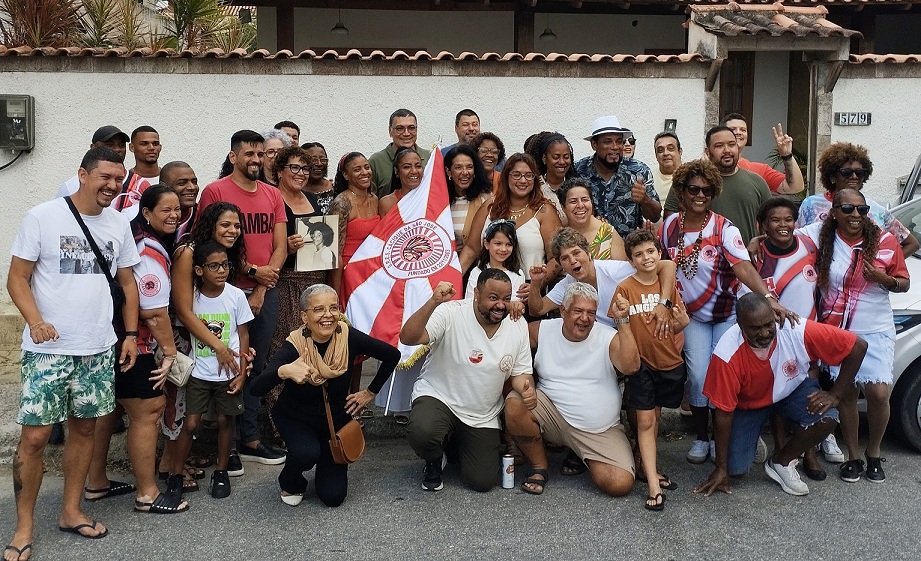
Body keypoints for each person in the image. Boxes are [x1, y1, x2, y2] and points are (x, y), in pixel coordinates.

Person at [6, 146, 141, 555]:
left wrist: (130, 334)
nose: (112, 185)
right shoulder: (43, 216)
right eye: (105, 177)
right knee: (35, 438)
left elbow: (128, 282)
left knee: (85, 430)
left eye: (118, 179)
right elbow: (17, 278)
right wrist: (35, 322)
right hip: (48, 350)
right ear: (82, 175)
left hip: (97, 347)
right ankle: (24, 528)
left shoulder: (118, 223)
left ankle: (71, 510)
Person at [661, 159, 792, 464]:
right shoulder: (669, 226)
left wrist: (768, 297)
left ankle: (734, 433)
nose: (700, 195)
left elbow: (743, 267)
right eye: (693, 189)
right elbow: (664, 266)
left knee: (725, 375)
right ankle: (703, 437)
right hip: (691, 316)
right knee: (697, 376)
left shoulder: (724, 228)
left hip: (726, 314)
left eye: (707, 190)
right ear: (681, 191)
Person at [695, 294, 868, 497]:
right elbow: (723, 414)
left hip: (791, 391)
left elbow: (858, 346)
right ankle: (751, 437)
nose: (764, 333)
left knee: (827, 416)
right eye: (755, 328)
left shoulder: (795, 328)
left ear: (775, 316)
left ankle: (781, 461)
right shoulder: (726, 353)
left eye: (768, 324)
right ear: (740, 325)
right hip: (749, 405)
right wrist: (721, 468)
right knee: (735, 470)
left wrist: (835, 395)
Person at [84, 184, 187, 514]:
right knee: (148, 410)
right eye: (166, 210)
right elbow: (153, 312)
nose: (174, 215)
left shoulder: (134, 236)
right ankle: (147, 494)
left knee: (112, 409)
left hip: (110, 338)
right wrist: (169, 352)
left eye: (177, 209)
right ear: (146, 213)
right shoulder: (148, 249)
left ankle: (96, 482)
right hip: (135, 344)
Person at [251, 284, 400, 507]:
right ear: (304, 316)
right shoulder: (294, 345)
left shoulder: (347, 336)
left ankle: (323, 460)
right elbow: (256, 388)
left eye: (333, 308)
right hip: (296, 418)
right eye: (319, 309)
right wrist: (284, 371)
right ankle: (290, 479)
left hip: (334, 423)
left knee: (333, 497)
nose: (328, 315)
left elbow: (392, 355)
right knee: (306, 453)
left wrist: (369, 392)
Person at [799, 188, 910, 484]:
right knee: (846, 393)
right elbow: (784, 237)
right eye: (848, 209)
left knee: (879, 394)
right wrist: (757, 242)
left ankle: (873, 452)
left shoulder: (885, 240)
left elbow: (904, 283)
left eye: (862, 210)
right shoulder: (823, 238)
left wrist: (884, 279)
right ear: (834, 212)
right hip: (838, 329)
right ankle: (853, 457)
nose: (856, 215)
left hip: (875, 327)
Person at [197, 129, 287, 466]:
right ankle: (228, 445)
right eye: (249, 154)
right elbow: (210, 242)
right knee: (227, 364)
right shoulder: (215, 191)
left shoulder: (272, 193)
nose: (256, 159)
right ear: (233, 157)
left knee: (254, 363)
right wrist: (251, 271)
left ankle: (250, 437)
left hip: (265, 292)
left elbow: (280, 247)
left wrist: (262, 286)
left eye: (260, 154)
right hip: (224, 291)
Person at [505, 282, 641, 500]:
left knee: (619, 483)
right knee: (515, 403)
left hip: (598, 429)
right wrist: (512, 310)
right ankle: (539, 467)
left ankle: (581, 454)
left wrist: (623, 322)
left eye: (591, 313)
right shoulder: (542, 330)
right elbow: (508, 340)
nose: (585, 318)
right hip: (553, 416)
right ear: (563, 311)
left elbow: (631, 367)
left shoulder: (607, 336)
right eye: (578, 311)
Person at [401, 271, 534, 492]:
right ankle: (434, 458)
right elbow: (408, 337)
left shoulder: (517, 324)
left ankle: (453, 444)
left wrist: (526, 389)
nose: (501, 305)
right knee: (422, 431)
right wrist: (433, 302)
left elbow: (521, 374)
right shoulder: (450, 312)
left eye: (506, 298)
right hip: (440, 396)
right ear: (476, 293)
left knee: (482, 482)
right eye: (493, 298)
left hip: (481, 413)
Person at [747, 197, 831, 478]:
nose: (782, 225)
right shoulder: (756, 257)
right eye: (774, 220)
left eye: (788, 219)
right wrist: (755, 242)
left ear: (796, 222)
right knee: (779, 391)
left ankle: (808, 451)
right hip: (774, 337)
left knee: (810, 389)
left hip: (808, 333)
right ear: (763, 225)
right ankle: (782, 447)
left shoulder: (809, 244)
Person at [165, 202, 248, 483]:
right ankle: (172, 469)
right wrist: (221, 347)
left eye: (237, 226)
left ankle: (196, 465)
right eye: (225, 224)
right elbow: (184, 311)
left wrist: (239, 353)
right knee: (182, 412)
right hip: (188, 341)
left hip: (216, 350)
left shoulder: (225, 260)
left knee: (221, 417)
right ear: (210, 225)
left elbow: (239, 327)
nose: (233, 230)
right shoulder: (189, 252)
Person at [615, 230, 689, 510]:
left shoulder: (667, 286)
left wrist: (683, 323)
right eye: (638, 254)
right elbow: (620, 323)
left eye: (650, 252)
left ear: (659, 253)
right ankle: (653, 486)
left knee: (655, 419)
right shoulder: (625, 288)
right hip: (641, 364)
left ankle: (650, 469)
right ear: (630, 260)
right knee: (645, 421)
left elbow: (674, 326)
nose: (645, 258)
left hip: (668, 362)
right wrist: (621, 314)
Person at [528, 228, 675, 331]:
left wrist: (663, 304)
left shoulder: (613, 270)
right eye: (565, 258)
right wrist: (535, 283)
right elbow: (538, 309)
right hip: (603, 336)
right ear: (561, 265)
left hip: (634, 329)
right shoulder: (567, 283)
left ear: (588, 253)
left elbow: (668, 265)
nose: (573, 261)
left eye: (576, 253)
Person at [798, 142, 920, 258]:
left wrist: (885, 266)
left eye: (860, 172)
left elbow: (911, 244)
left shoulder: (876, 210)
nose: (854, 177)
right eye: (847, 172)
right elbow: (798, 243)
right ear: (832, 177)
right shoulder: (811, 205)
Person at [459, 153, 562, 281]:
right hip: (487, 285)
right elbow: (471, 249)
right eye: (516, 174)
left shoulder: (544, 211)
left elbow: (557, 257)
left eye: (529, 175)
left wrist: (535, 286)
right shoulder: (489, 207)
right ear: (506, 177)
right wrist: (453, 279)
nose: (523, 180)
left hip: (527, 287)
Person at [664, 126, 773, 245]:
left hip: (746, 255)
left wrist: (759, 241)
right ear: (707, 152)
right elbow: (670, 223)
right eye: (719, 146)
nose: (727, 150)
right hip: (698, 254)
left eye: (731, 144)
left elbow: (771, 222)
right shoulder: (687, 182)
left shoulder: (757, 182)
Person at [268, 146, 324, 361]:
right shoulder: (272, 198)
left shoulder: (312, 198)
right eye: (294, 168)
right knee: (287, 342)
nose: (301, 173)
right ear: (279, 172)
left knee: (315, 340)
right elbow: (264, 243)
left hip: (316, 279)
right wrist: (286, 246)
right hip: (287, 282)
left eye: (305, 169)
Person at [573, 115, 660, 237]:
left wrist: (645, 199)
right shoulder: (578, 171)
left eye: (619, 141)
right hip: (589, 245)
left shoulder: (638, 170)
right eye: (607, 142)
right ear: (594, 144)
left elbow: (655, 216)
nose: (615, 147)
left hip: (629, 246)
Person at [328, 152, 380, 298]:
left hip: (372, 272)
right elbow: (335, 253)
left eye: (367, 167)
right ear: (346, 175)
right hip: (348, 273)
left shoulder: (375, 199)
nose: (364, 172)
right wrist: (336, 293)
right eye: (357, 169)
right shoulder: (341, 203)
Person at [721, 113, 805, 195]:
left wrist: (787, 155)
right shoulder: (713, 168)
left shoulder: (760, 170)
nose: (738, 132)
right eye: (733, 129)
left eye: (743, 130)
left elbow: (795, 187)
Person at [557, 177, 626, 261]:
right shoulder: (559, 234)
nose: (580, 205)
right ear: (563, 207)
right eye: (573, 201)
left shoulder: (608, 232)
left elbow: (623, 267)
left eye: (584, 200)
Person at [368, 108, 431, 197]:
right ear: (390, 131)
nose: (406, 133)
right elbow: (369, 198)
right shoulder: (376, 161)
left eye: (411, 128)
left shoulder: (429, 158)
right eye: (400, 128)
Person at [56, 125, 131, 198]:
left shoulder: (135, 183)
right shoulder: (70, 187)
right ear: (93, 147)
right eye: (110, 145)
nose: (117, 149)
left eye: (122, 145)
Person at [445, 144, 493, 248]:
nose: (465, 172)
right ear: (448, 171)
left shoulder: (486, 199)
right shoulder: (440, 201)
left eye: (469, 167)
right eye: (458, 167)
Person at [465, 219, 526, 299]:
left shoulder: (518, 274)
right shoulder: (476, 272)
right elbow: (470, 301)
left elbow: (517, 302)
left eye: (508, 244)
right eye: (498, 244)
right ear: (486, 244)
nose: (503, 249)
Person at [525, 131, 575, 224]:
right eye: (556, 157)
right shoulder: (534, 186)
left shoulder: (576, 186)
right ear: (544, 158)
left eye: (566, 157)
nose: (562, 162)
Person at [379, 147, 424, 217]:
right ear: (397, 171)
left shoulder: (430, 199)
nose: (414, 171)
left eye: (418, 166)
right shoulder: (387, 203)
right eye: (407, 167)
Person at [160, 161, 199, 239]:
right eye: (182, 183)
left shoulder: (201, 216)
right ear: (163, 186)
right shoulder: (152, 217)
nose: (192, 187)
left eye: (194, 182)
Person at [301, 142, 336, 214]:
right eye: (313, 159)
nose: (319, 163)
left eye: (323, 160)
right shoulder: (295, 191)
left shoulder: (335, 189)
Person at [652, 131, 682, 203]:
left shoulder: (690, 177)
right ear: (656, 155)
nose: (665, 153)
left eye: (670, 148)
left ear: (680, 152)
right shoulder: (649, 179)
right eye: (660, 150)